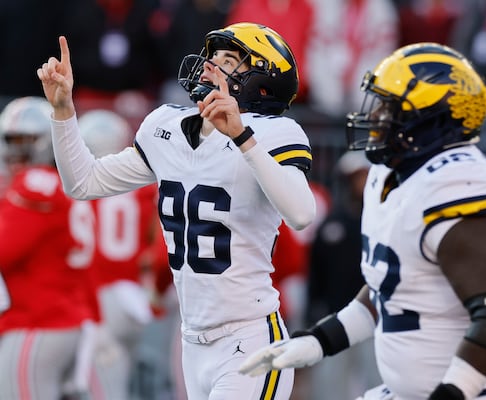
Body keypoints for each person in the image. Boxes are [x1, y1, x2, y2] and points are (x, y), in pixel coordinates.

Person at [239, 43, 486, 399]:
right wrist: (317, 342)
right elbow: (391, 289)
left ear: (432, 121)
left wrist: (453, 391)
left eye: (389, 108)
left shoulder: (456, 183)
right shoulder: (387, 174)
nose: (375, 118)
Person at [37, 22, 316, 400]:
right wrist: (64, 111)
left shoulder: (274, 133)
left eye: (229, 60)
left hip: (249, 338)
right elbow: (83, 183)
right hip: (191, 340)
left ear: (260, 84)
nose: (211, 65)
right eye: (212, 56)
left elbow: (300, 213)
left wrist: (241, 138)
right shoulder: (165, 126)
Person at [0, 96, 98, 400]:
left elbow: (4, 250)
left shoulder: (35, 183)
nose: (18, 149)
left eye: (26, 139)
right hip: (66, 318)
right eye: (12, 140)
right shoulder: (64, 183)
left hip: (37, 322)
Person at [78, 109, 160, 399]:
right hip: (136, 294)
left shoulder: (81, 188)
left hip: (100, 296)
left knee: (104, 387)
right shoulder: (144, 191)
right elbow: (156, 240)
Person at [304, 150, 380, 400]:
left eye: (365, 176)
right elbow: (316, 272)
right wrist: (313, 310)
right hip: (334, 317)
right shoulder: (332, 224)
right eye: (355, 177)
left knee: (379, 384)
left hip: (376, 319)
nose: (361, 183)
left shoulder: (384, 222)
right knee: (330, 386)